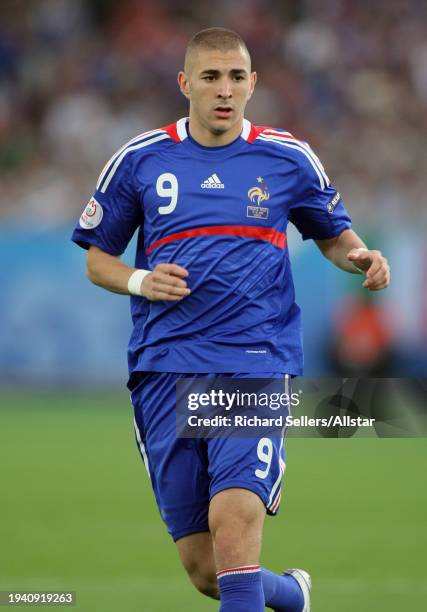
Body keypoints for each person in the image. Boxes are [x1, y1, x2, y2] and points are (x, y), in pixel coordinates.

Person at [71, 27, 390, 612]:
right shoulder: (140, 158)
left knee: (233, 523)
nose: (224, 90)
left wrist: (360, 256)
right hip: (164, 367)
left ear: (253, 84)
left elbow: (335, 236)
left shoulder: (286, 155)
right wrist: (141, 280)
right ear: (184, 82)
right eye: (211, 77)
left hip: (254, 360)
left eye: (236, 77)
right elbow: (97, 260)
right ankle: (291, 594)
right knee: (207, 570)